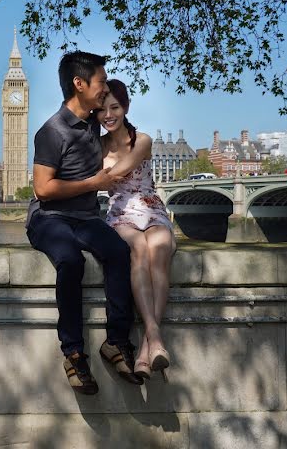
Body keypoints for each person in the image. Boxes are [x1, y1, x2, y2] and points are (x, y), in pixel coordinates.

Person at [26, 51, 140, 395]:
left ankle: (116, 341)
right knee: (70, 261)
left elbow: (121, 115)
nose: (105, 87)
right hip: (49, 218)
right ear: (79, 84)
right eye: (101, 81)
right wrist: (93, 184)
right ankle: (74, 352)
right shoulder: (52, 131)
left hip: (86, 217)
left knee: (119, 253)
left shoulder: (94, 120)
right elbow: (43, 189)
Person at [97, 79, 176, 382]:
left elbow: (122, 168)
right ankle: (154, 340)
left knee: (158, 250)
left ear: (125, 107)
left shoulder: (142, 140)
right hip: (121, 213)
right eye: (102, 109)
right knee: (137, 249)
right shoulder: (99, 145)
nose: (108, 114)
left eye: (114, 107)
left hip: (152, 207)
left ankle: (146, 347)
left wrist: (95, 176)